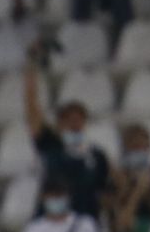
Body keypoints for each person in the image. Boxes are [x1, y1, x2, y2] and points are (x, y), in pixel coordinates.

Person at [25, 60, 112, 219]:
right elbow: (32, 108)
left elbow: (105, 191)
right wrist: (32, 68)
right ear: (59, 124)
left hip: (84, 224)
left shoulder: (97, 155)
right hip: (51, 221)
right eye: (69, 120)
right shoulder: (51, 146)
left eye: (79, 120)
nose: (74, 124)